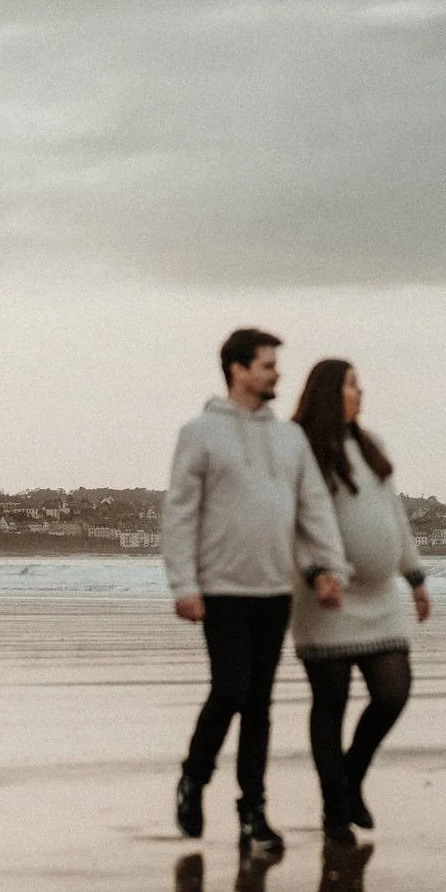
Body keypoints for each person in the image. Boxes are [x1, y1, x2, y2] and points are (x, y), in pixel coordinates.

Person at [164, 328, 349, 856]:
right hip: (221, 587)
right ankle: (194, 779)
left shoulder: (289, 439)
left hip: (275, 588)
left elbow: (313, 506)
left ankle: (253, 815)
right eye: (267, 365)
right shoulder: (199, 433)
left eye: (275, 365)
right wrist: (184, 584)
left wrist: (330, 566)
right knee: (230, 691)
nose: (276, 374)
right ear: (238, 369)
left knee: (260, 705)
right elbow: (179, 514)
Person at [286, 358, 430, 848]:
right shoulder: (300, 449)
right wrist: (316, 571)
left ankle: (350, 779)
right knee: (331, 704)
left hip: (380, 598)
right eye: (351, 385)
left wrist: (414, 576)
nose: (360, 392)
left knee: (393, 692)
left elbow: (396, 515)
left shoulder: (372, 449)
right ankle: (334, 812)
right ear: (329, 393)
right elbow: (295, 521)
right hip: (326, 596)